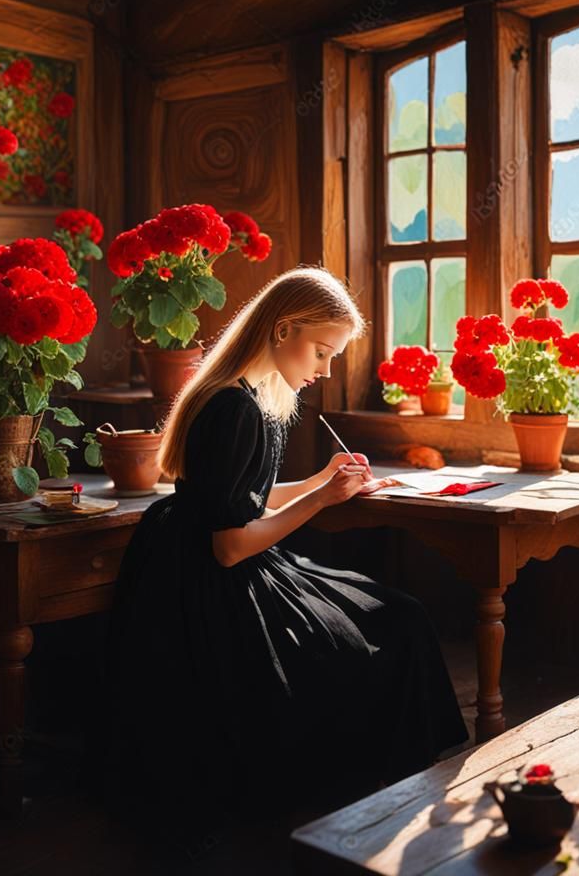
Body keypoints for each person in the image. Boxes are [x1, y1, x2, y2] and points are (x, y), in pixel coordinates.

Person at [90, 265, 468, 859]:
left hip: (212, 557)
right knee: (391, 628)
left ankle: (398, 784)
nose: (324, 370)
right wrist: (322, 499)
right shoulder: (234, 408)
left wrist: (321, 479)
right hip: (210, 583)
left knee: (399, 615)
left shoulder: (242, 397)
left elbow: (242, 499)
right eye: (322, 352)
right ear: (283, 328)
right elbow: (231, 543)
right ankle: (389, 796)